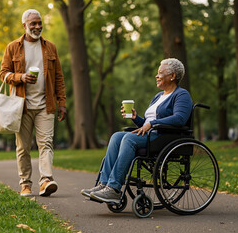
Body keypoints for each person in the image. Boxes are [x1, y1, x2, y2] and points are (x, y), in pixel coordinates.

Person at [81, 58, 192, 203]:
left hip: (165, 137)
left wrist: (152, 123)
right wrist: (136, 118)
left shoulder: (181, 95)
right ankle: (104, 184)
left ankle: (113, 189)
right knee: (116, 136)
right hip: (150, 134)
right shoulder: (158, 96)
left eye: (160, 73)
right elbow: (146, 123)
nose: (156, 76)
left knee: (129, 138)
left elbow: (179, 118)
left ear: (172, 76)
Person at [0, 9, 67, 197]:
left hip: (46, 105)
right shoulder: (13, 47)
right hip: (22, 106)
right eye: (33, 24)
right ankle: (25, 184)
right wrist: (20, 77)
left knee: (46, 143)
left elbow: (59, 77)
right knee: (23, 147)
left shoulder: (50, 47)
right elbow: (3, 73)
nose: (37, 27)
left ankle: (46, 180)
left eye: (39, 23)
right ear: (24, 26)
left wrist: (62, 102)